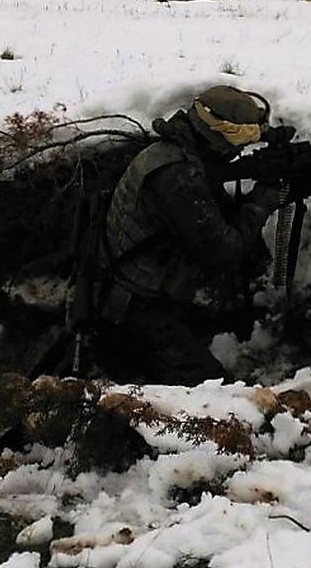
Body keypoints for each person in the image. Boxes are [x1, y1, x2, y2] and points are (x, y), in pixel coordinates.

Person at [90, 86, 284, 385]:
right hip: (135, 312)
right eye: (238, 140)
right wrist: (262, 201)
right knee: (217, 393)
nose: (238, 150)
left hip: (130, 293)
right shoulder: (178, 178)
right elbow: (224, 250)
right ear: (215, 134)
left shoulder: (174, 152)